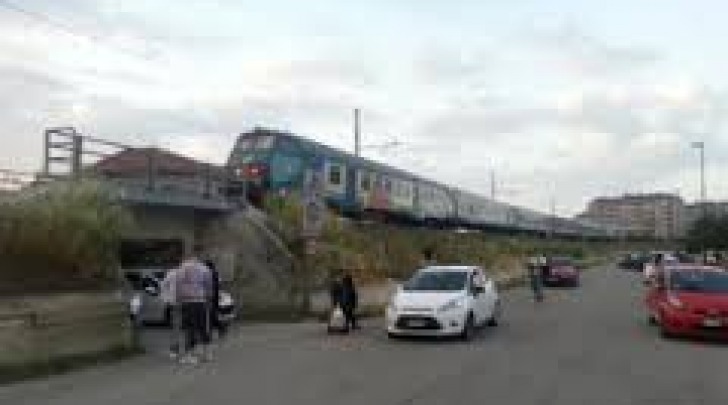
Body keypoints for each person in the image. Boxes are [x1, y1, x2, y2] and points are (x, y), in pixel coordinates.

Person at [175, 249, 213, 364]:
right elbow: (208, 286)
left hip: (187, 301)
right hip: (200, 301)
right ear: (198, 257)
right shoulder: (205, 268)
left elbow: (179, 284)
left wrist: (178, 299)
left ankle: (189, 355)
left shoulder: (183, 267)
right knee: (202, 327)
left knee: (189, 328)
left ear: (188, 256)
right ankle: (207, 354)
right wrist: (208, 299)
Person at [160, 266, 181, 359]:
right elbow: (163, 286)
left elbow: (163, 286)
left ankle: (175, 351)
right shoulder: (175, 273)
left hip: (177, 302)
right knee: (180, 326)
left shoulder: (171, 273)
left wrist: (166, 300)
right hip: (185, 302)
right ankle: (188, 350)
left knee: (176, 326)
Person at [204, 259, 227, 339]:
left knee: (210, 315)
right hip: (214, 297)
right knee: (211, 315)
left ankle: (211, 332)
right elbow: (219, 284)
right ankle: (219, 328)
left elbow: (211, 286)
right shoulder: (215, 273)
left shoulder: (210, 274)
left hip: (211, 297)